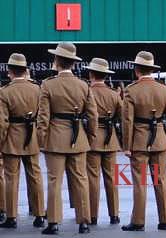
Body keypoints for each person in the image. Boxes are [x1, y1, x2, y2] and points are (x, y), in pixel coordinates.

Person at [37, 42, 98, 234]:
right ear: (73, 63)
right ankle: (84, 222)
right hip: (78, 137)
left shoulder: (48, 85)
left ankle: (54, 222)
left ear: (56, 61)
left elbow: (43, 117)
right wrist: (89, 136)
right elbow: (93, 115)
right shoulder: (83, 85)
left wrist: (41, 139)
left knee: (55, 180)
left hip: (55, 138)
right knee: (81, 179)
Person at [121, 51, 166, 232]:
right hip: (159, 139)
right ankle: (165, 219)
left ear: (137, 70)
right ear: (151, 69)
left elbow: (127, 121)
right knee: (161, 180)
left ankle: (138, 221)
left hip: (139, 140)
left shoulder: (131, 90)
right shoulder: (163, 89)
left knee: (140, 182)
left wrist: (126, 145)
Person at [0, 53, 45, 229]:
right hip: (32, 136)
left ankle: (11, 217)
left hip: (12, 137)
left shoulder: (5, 92)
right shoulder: (37, 89)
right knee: (35, 176)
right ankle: (40, 214)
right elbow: (42, 115)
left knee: (12, 179)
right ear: (25, 70)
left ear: (9, 71)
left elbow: (2, 122)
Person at [83, 58, 121, 225]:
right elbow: (122, 117)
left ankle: (92, 215)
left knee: (92, 178)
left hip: (92, 138)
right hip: (110, 138)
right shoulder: (114, 94)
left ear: (91, 74)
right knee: (111, 178)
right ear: (106, 75)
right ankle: (114, 214)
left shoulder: (87, 91)